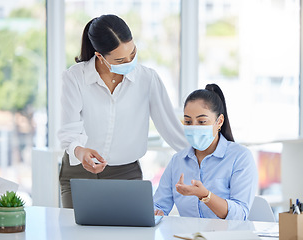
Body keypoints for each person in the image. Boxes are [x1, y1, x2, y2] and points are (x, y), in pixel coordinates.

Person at [58, 14, 188, 208]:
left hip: (126, 174)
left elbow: (171, 128)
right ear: (99, 56)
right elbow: (69, 131)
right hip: (79, 174)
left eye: (133, 54)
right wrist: (81, 151)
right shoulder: (75, 77)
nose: (129, 61)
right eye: (120, 60)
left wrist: (209, 157)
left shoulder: (147, 79)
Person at [153, 84, 258, 220]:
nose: (194, 127)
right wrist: (157, 214)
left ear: (219, 121)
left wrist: (205, 195)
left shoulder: (240, 157)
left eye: (202, 121)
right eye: (188, 122)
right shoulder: (177, 161)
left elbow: (240, 215)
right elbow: (159, 205)